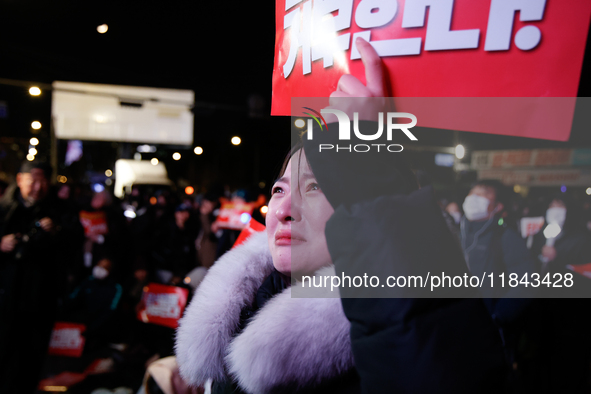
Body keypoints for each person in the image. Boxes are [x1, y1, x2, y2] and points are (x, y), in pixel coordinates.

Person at [176, 38, 508, 393]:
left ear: (361, 208)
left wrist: (365, 160)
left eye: (316, 188)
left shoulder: (399, 336)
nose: (284, 211)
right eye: (279, 190)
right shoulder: (238, 319)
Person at [0, 160, 84, 394]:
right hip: (6, 298)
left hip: (41, 297)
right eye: (32, 180)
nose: (38, 187)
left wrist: (56, 230)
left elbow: (76, 242)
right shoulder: (5, 209)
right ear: (19, 180)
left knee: (33, 356)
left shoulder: (60, 210)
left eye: (43, 181)